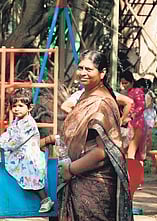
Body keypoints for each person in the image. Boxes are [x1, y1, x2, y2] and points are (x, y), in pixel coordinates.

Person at [48, 50, 133, 221]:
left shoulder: (102, 103)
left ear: (102, 73)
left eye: (89, 69)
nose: (83, 73)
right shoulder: (85, 96)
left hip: (93, 184)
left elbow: (102, 152)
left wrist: (70, 169)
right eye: (80, 68)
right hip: (76, 178)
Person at [0, 88, 54, 214]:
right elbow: (7, 135)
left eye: (20, 106)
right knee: (4, 163)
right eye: (14, 106)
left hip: (29, 155)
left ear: (29, 107)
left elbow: (17, 140)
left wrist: (1, 147)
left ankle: (45, 199)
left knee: (32, 171)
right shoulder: (16, 122)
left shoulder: (29, 123)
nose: (16, 109)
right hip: (19, 153)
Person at [120, 70, 146, 160]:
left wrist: (131, 116)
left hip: (137, 125)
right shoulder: (128, 92)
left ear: (132, 82)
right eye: (122, 83)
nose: (124, 85)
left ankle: (134, 173)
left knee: (131, 152)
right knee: (127, 153)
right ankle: (133, 173)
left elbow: (142, 106)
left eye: (126, 83)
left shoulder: (137, 91)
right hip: (129, 125)